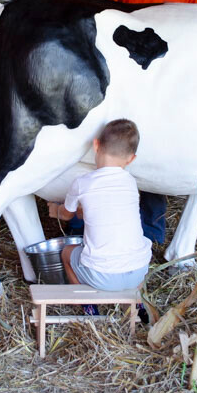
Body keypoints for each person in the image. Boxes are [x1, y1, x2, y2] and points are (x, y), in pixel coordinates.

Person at [108, 0, 197, 244]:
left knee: (154, 149)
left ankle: (151, 232)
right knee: (109, 143)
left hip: (162, 85)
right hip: (122, 77)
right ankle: (93, 223)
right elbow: (109, 21)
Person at [53, 119, 152, 295]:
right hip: (138, 273)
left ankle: (87, 304)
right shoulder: (131, 182)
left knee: (67, 253)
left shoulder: (82, 183)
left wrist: (55, 210)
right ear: (131, 159)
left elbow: (66, 215)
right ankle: (135, 302)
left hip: (102, 275)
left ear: (96, 145)